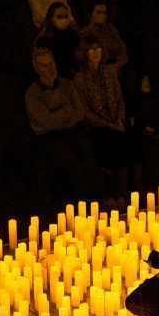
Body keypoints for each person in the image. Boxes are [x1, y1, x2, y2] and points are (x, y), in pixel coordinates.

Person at [25, 47, 100, 201]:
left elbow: (79, 112)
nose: (50, 68)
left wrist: (58, 114)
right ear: (37, 69)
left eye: (51, 63)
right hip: (48, 137)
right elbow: (46, 121)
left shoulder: (67, 84)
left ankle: (97, 201)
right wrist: (67, 110)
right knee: (69, 163)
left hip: (72, 131)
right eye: (44, 65)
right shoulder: (32, 93)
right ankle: (79, 205)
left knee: (89, 155)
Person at [74, 36, 130, 189]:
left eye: (98, 48)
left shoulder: (110, 72)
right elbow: (85, 110)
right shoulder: (80, 78)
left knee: (124, 141)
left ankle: (122, 193)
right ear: (85, 53)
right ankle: (110, 193)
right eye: (91, 49)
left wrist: (119, 119)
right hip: (97, 126)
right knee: (106, 141)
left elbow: (119, 98)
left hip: (115, 122)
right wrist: (107, 124)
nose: (95, 52)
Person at [34, 2, 81, 78]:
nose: (64, 20)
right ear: (51, 19)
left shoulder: (73, 34)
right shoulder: (44, 40)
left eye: (66, 16)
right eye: (59, 17)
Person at [79, 1, 128, 69]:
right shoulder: (85, 33)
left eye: (104, 13)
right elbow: (83, 58)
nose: (102, 16)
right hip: (95, 71)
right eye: (98, 12)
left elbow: (123, 53)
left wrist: (116, 66)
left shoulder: (111, 30)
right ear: (90, 14)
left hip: (115, 69)